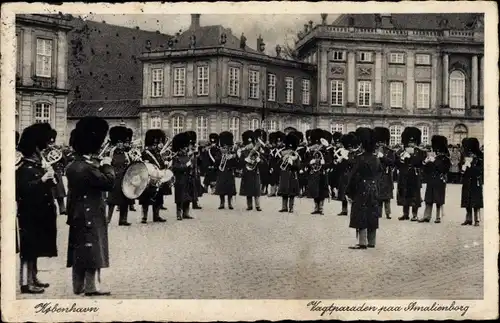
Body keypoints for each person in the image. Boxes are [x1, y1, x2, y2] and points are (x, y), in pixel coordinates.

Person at [66, 116, 115, 296]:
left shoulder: (74, 165)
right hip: (91, 213)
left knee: (80, 250)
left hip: (78, 213)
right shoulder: (87, 168)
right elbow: (108, 182)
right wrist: (107, 165)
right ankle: (91, 287)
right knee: (93, 249)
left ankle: (78, 286)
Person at [16, 123, 58, 294]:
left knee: (36, 247)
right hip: (29, 212)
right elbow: (23, 189)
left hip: (39, 211)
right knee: (29, 248)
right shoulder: (23, 166)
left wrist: (50, 179)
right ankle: (25, 282)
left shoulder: (36, 163)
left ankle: (34, 277)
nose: (44, 149)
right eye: (42, 146)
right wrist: (42, 180)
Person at [346, 127, 383, 249]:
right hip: (373, 188)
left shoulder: (360, 158)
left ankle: (362, 242)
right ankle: (372, 241)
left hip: (361, 188)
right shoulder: (376, 159)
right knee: (372, 213)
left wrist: (349, 191)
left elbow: (353, 176)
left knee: (360, 213)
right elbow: (380, 173)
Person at [396, 127, 426, 221]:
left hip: (414, 175)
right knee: (404, 194)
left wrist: (412, 157)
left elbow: (421, 163)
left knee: (415, 196)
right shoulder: (401, 151)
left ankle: (414, 214)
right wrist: (402, 158)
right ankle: (405, 214)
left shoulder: (420, 152)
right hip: (404, 175)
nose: (411, 144)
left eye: (413, 142)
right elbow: (396, 163)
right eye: (409, 142)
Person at [419, 135, 451, 224]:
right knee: (428, 199)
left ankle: (438, 217)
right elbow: (426, 170)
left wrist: (434, 161)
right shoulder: (433, 157)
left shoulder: (445, 158)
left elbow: (444, 169)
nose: (436, 151)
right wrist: (425, 162)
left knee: (438, 200)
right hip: (431, 180)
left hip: (439, 181)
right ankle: (426, 216)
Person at [106, 126, 134, 226]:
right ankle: (107, 219)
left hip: (124, 179)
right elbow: (107, 166)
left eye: (121, 142)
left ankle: (123, 220)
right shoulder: (111, 153)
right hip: (114, 179)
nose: (120, 144)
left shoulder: (126, 154)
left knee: (125, 200)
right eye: (118, 143)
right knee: (112, 201)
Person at [139, 129, 168, 223]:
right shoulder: (146, 152)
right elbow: (145, 165)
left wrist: (165, 164)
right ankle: (144, 216)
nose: (158, 145)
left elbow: (160, 164)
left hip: (157, 177)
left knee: (158, 197)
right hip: (148, 178)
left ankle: (156, 215)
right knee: (146, 199)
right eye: (156, 143)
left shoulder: (157, 153)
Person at [171, 132, 196, 220]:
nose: (186, 149)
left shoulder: (187, 156)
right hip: (180, 179)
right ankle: (179, 213)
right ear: (180, 148)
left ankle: (186, 213)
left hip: (187, 179)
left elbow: (192, 168)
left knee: (188, 197)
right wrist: (187, 165)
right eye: (185, 148)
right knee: (179, 198)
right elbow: (176, 168)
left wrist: (192, 165)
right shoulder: (176, 157)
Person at [306, 129, 331, 215]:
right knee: (315, 190)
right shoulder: (311, 151)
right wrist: (310, 162)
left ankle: (321, 208)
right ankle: (316, 207)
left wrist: (323, 163)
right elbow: (307, 161)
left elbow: (329, 163)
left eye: (319, 144)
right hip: (314, 172)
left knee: (322, 191)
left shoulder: (326, 152)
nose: (317, 146)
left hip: (322, 173)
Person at [460, 137, 483, 226]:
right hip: (467, 179)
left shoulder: (480, 156)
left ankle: (477, 219)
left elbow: (480, 169)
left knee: (476, 200)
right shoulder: (465, 155)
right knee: (467, 199)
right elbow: (460, 166)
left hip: (475, 180)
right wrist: (463, 167)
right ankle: (468, 218)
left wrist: (472, 166)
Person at [374, 127, 396, 219]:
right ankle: (378, 213)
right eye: (379, 142)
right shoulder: (374, 150)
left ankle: (388, 213)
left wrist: (383, 157)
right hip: (378, 175)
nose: (381, 144)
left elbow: (392, 162)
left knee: (387, 196)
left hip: (386, 175)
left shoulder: (390, 151)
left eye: (382, 142)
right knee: (378, 195)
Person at [238, 130, 262, 211]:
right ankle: (249, 205)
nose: (250, 144)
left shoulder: (257, 151)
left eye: (251, 143)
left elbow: (263, 162)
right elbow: (240, 162)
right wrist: (246, 160)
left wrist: (259, 160)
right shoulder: (244, 152)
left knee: (256, 189)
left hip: (255, 172)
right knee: (248, 189)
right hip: (247, 172)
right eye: (249, 143)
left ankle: (258, 205)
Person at [277, 132, 301, 213]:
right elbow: (278, 164)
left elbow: (298, 167)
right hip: (284, 174)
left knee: (292, 193)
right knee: (284, 191)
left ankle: (291, 208)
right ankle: (284, 207)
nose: (289, 149)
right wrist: (283, 159)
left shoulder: (296, 154)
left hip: (292, 174)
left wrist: (292, 163)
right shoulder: (283, 153)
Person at [335, 132, 358, 216]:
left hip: (352, 176)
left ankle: (353, 210)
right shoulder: (345, 152)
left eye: (350, 147)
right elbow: (340, 166)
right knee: (343, 193)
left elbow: (353, 163)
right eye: (348, 147)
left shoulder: (355, 153)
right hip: (344, 175)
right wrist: (339, 161)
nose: (350, 148)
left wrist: (346, 158)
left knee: (351, 194)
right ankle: (344, 210)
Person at [215, 131, 238, 209]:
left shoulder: (232, 152)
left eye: (226, 146)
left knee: (230, 189)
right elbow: (216, 161)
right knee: (221, 188)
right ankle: (222, 203)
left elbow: (236, 163)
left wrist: (232, 157)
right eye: (224, 146)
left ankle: (229, 203)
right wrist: (222, 156)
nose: (225, 147)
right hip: (222, 172)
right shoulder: (219, 151)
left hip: (229, 171)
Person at [47, 129, 68, 215]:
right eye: (50, 142)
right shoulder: (44, 150)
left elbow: (64, 160)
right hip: (48, 170)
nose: (51, 144)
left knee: (60, 190)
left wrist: (59, 154)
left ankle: (62, 207)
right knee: (50, 191)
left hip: (57, 170)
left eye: (53, 142)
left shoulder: (56, 149)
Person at [186, 130, 204, 209]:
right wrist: (191, 153)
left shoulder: (195, 148)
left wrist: (198, 155)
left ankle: (195, 202)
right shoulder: (186, 148)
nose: (191, 145)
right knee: (189, 187)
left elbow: (199, 160)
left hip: (195, 169)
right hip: (188, 169)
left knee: (195, 186)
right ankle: (189, 203)